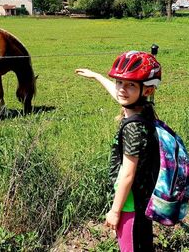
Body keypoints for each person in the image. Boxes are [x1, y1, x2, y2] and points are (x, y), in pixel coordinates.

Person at [75, 51, 162, 251]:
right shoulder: (140, 111)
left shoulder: (132, 128)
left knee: (130, 246)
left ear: (147, 91)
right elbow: (120, 95)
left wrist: (115, 211)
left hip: (129, 204)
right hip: (141, 199)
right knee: (143, 242)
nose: (122, 89)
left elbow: (127, 174)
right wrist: (96, 76)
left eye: (130, 84)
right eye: (119, 82)